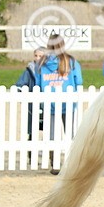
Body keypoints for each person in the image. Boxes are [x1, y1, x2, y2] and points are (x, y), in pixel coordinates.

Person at [39, 34, 83, 173]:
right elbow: (79, 81)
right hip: (68, 102)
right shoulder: (71, 62)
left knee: (52, 134)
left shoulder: (42, 62)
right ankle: (72, 163)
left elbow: (37, 82)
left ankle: (55, 163)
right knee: (71, 134)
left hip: (49, 103)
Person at [15, 47, 47, 141]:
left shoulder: (49, 70)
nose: (37, 58)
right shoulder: (29, 71)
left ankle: (48, 148)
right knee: (33, 127)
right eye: (36, 56)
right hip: (32, 104)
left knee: (48, 126)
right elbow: (20, 84)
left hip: (46, 102)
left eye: (40, 56)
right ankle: (31, 149)